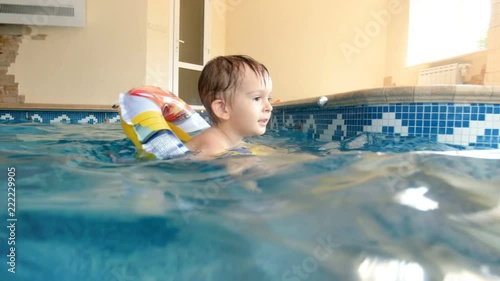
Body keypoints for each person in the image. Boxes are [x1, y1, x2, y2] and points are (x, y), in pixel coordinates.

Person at [185, 55, 274, 159]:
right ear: (222, 109)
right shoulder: (212, 145)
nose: (269, 107)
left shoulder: (233, 140)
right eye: (257, 98)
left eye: (269, 98)